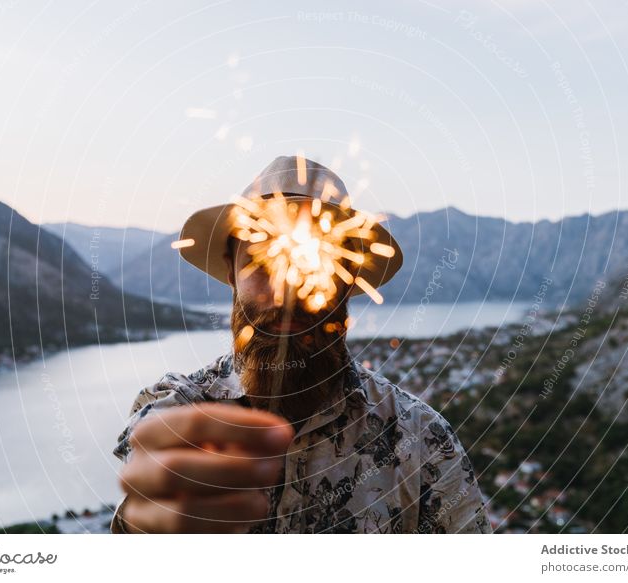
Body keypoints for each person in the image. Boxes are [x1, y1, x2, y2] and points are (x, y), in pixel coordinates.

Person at [111, 155, 492, 534]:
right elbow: (146, 499)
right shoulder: (179, 409)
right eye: (262, 259)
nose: (287, 290)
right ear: (231, 273)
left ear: (350, 279)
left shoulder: (419, 439)